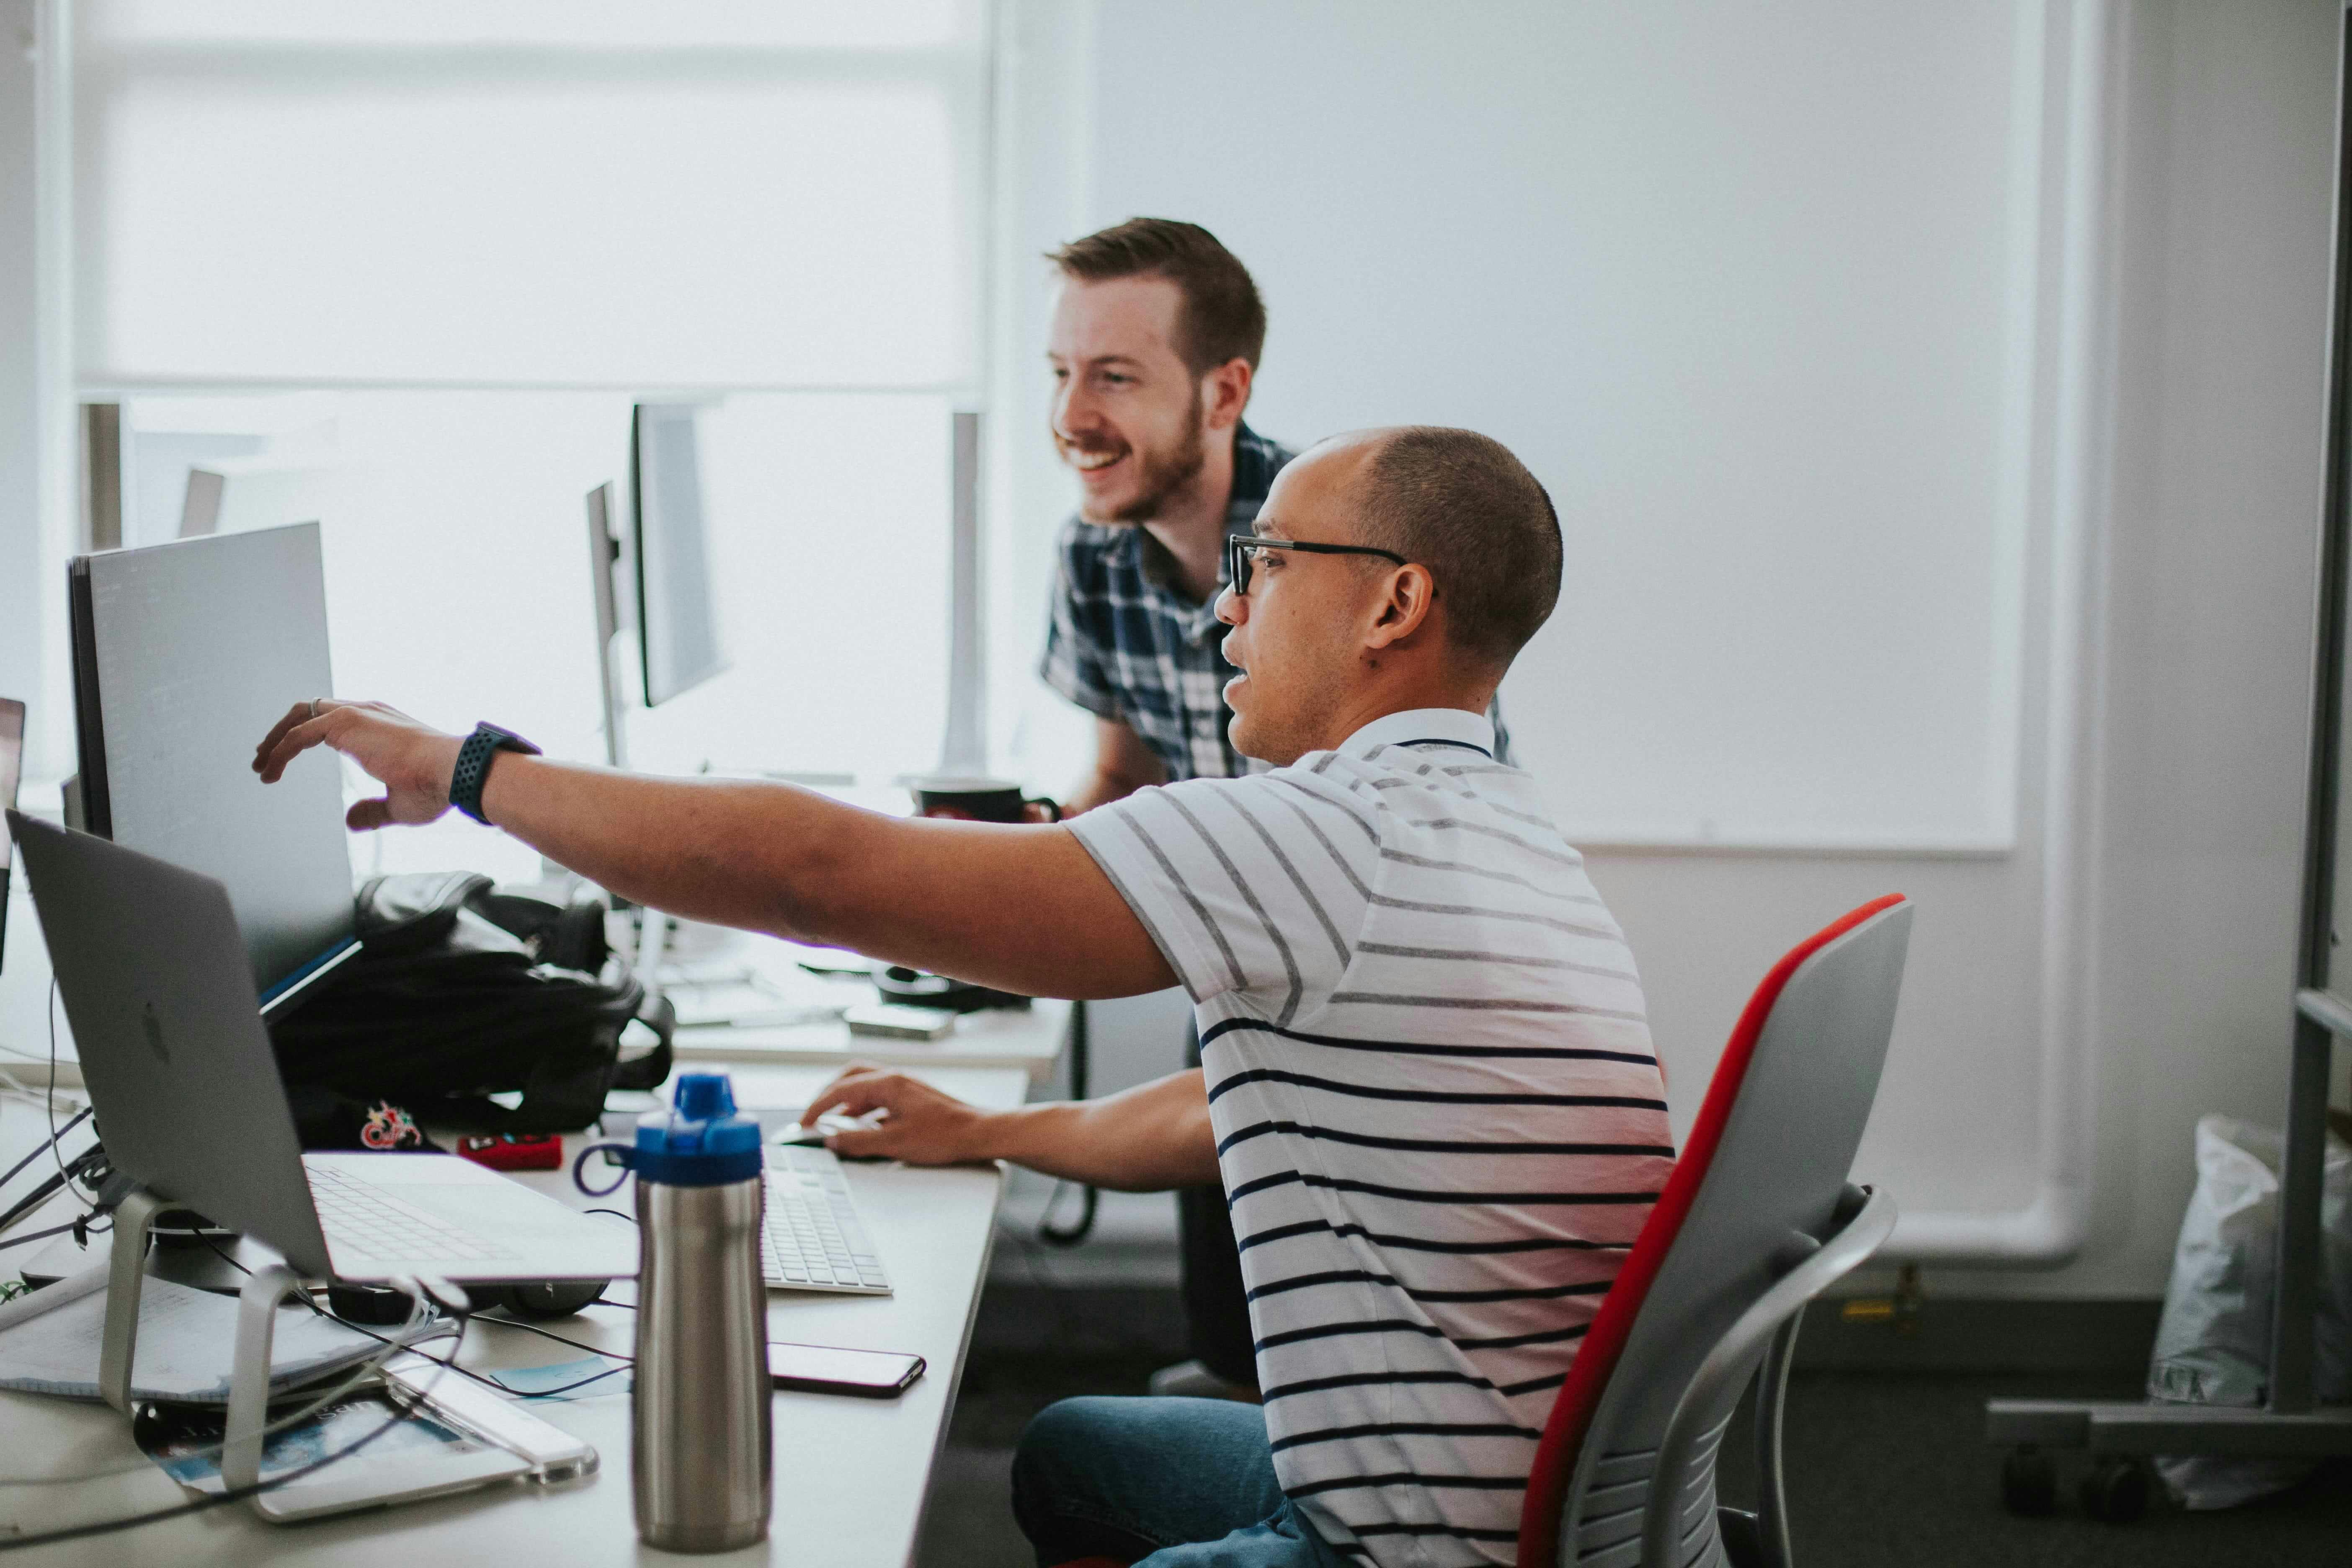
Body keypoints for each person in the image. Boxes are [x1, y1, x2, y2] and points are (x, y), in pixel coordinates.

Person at [253, 426, 1671, 1568]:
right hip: (1532, 1489)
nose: (1229, 604)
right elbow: (1228, 1105)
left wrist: (474, 773)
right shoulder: (1493, 823)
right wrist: (984, 1135)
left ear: (1395, 601)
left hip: (1412, 1541)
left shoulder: (1329, 835)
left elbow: (818, 875)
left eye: (1271, 561)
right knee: (1068, 1455)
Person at [1027, 218, 1512, 1399]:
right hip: (1234, 967)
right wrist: (1018, 861)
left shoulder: (1342, 554)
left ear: (1224, 389)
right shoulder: (1095, 558)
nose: (1072, 417)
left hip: (1373, 973)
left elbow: (1426, 810)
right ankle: (1242, 1398)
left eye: (1115, 377)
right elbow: (1127, 770)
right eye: (1060, 375)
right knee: (1233, 1344)